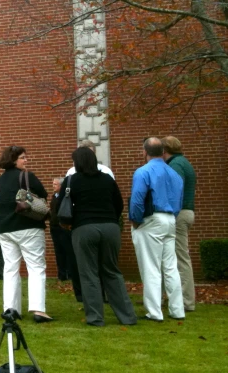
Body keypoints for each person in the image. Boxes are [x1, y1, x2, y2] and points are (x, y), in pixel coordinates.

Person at [62, 147, 137, 326]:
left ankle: (95, 317)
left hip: (84, 228)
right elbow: (118, 204)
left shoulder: (72, 180)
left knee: (89, 274)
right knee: (112, 271)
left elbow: (61, 207)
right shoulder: (107, 179)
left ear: (77, 163)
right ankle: (127, 316)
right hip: (110, 228)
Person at [0, 146, 52, 322]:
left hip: (4, 229)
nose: (26, 160)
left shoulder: (0, 181)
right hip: (28, 226)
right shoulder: (27, 176)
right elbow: (43, 194)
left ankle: (11, 309)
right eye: (22, 158)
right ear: (13, 160)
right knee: (35, 266)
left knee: (11, 268)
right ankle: (38, 309)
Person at [130, 137, 185, 322]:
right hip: (170, 218)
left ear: (144, 152)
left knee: (151, 267)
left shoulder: (143, 171)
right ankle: (177, 310)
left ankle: (154, 312)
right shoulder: (174, 173)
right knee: (171, 267)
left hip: (151, 220)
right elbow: (179, 201)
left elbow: (137, 199)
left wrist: (135, 221)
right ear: (163, 152)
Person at [162, 135, 197, 313]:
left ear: (164, 150)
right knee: (178, 257)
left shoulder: (176, 165)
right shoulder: (183, 162)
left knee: (180, 258)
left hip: (180, 213)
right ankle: (178, 298)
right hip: (186, 211)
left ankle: (186, 301)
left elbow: (176, 190)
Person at [49, 177, 71, 282]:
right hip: (54, 227)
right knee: (58, 251)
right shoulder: (54, 197)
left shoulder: (64, 197)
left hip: (62, 227)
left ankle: (70, 273)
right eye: (53, 184)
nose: (53, 186)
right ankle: (61, 274)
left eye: (55, 184)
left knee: (66, 250)